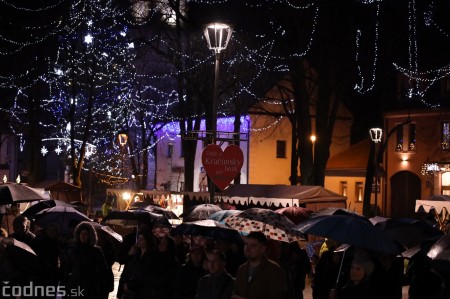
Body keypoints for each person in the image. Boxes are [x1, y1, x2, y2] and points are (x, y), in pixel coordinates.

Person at [60, 221, 113, 299]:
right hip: (75, 286)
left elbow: (103, 270)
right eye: (81, 234)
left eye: (85, 234)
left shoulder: (96, 251)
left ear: (90, 235)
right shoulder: (73, 250)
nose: (83, 236)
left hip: (90, 287)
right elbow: (66, 269)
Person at [232, 231, 287, 299]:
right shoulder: (241, 269)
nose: (247, 248)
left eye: (253, 245)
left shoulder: (274, 270)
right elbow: (235, 291)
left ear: (262, 249)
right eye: (246, 244)